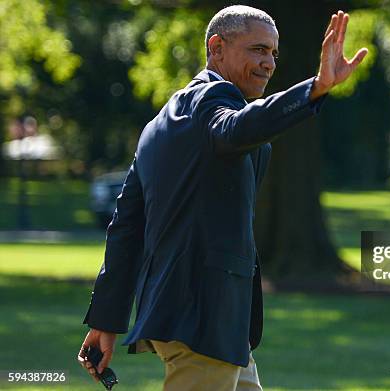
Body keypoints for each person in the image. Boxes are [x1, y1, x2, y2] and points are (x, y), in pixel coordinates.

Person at [77, 5, 367, 391]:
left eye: (274, 54)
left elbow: (126, 229)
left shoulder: (159, 124)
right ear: (217, 48)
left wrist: (105, 321)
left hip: (204, 323)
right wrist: (315, 87)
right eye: (258, 50)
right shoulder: (213, 100)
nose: (269, 64)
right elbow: (236, 127)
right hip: (203, 319)